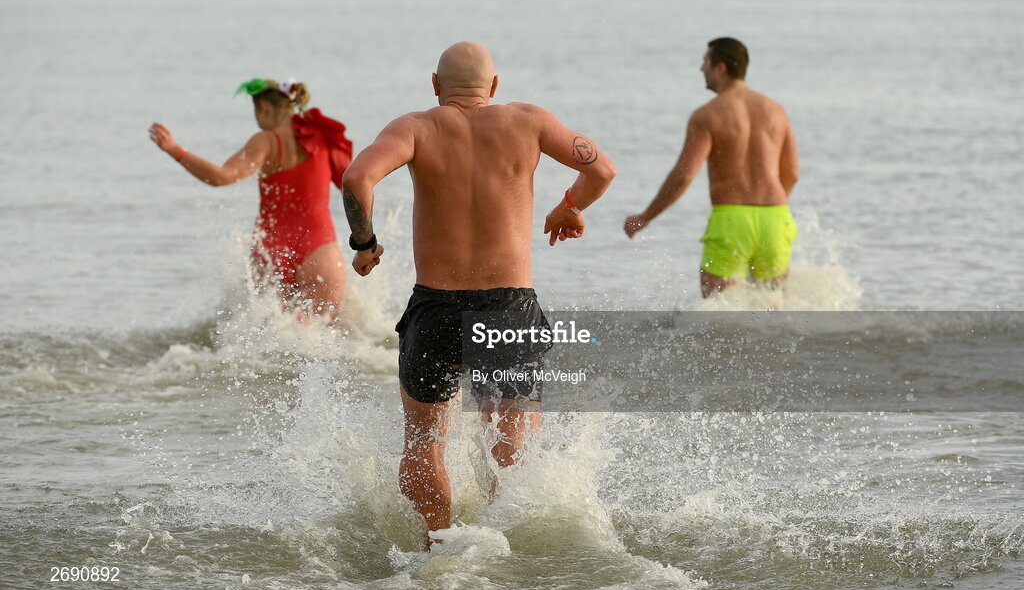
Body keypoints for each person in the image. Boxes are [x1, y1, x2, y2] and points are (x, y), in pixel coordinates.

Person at [341, 41, 616, 548]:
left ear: (435, 85)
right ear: (494, 87)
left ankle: (437, 545)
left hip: (436, 306)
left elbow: (357, 178)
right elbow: (601, 169)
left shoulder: (416, 127)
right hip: (508, 306)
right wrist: (567, 207)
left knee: (425, 440)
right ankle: (500, 552)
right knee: (511, 445)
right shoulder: (528, 120)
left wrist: (365, 243)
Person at [149, 79, 353, 319]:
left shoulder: (266, 140)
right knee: (326, 339)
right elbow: (352, 187)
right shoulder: (323, 136)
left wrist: (175, 149)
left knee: (272, 339)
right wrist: (366, 240)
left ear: (264, 108)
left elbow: (221, 177)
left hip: (272, 252)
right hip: (320, 249)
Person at [624, 38, 799, 298]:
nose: (701, 69)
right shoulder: (776, 110)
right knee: (772, 315)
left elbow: (683, 176)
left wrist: (646, 216)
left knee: (718, 321)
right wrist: (766, 211)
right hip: (776, 217)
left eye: (705, 62)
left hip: (731, 220)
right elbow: (792, 174)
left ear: (721, 68)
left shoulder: (707, 115)